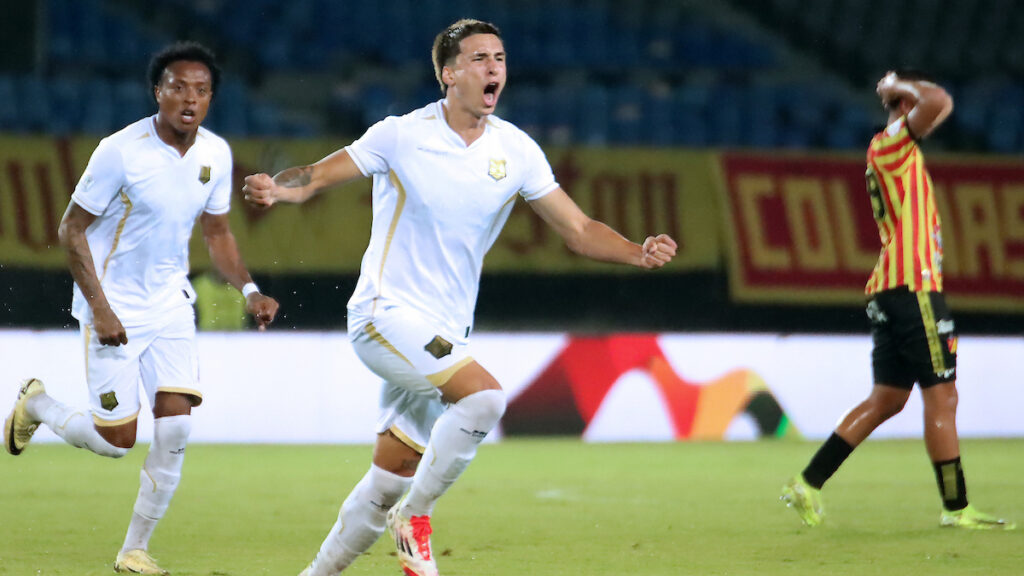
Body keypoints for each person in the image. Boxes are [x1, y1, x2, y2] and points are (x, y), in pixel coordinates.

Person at [243, 18, 677, 576]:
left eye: (498, 57)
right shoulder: (401, 134)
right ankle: (416, 520)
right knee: (485, 400)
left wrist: (635, 251)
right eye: (478, 58)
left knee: (388, 478)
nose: (493, 67)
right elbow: (318, 176)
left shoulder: (516, 150)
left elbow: (577, 228)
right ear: (448, 74)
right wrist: (279, 187)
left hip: (445, 332)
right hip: (383, 315)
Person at [3, 41, 280, 575]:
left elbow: (217, 232)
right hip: (115, 307)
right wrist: (101, 309)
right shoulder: (119, 151)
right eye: (178, 87)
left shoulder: (215, 155)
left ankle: (134, 550)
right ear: (158, 92)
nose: (189, 99)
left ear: (212, 98)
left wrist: (249, 289)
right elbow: (70, 229)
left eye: (201, 90)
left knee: (176, 429)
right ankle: (37, 405)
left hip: (172, 303)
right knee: (116, 442)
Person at [780, 70, 1014, 530]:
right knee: (943, 398)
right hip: (913, 287)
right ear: (906, 111)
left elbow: (935, 105)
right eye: (913, 110)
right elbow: (941, 100)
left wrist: (900, 90)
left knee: (886, 399)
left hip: (890, 288)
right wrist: (899, 86)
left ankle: (806, 483)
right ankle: (957, 507)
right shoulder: (890, 144)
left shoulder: (891, 152)